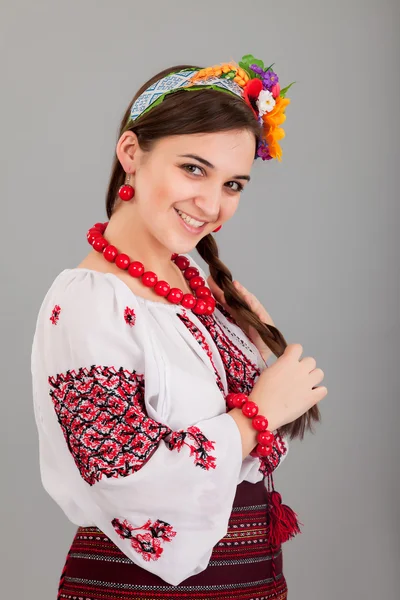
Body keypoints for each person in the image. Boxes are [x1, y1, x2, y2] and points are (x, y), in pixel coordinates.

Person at [31, 54, 327, 600]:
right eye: (193, 168)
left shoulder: (196, 289)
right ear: (131, 154)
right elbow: (120, 471)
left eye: (234, 183)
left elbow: (238, 446)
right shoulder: (87, 302)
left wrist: (253, 344)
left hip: (247, 580)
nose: (212, 203)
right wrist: (258, 412)